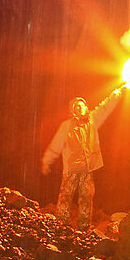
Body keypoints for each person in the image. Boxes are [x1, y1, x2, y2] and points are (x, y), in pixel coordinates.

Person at [42, 91, 120, 230]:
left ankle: (84, 228)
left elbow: (105, 107)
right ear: (72, 110)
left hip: (87, 170)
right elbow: (56, 144)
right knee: (65, 197)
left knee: (86, 198)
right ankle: (61, 226)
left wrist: (118, 92)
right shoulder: (66, 126)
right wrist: (46, 161)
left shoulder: (93, 120)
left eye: (81, 105)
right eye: (76, 106)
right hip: (71, 169)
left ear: (86, 107)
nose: (79, 108)